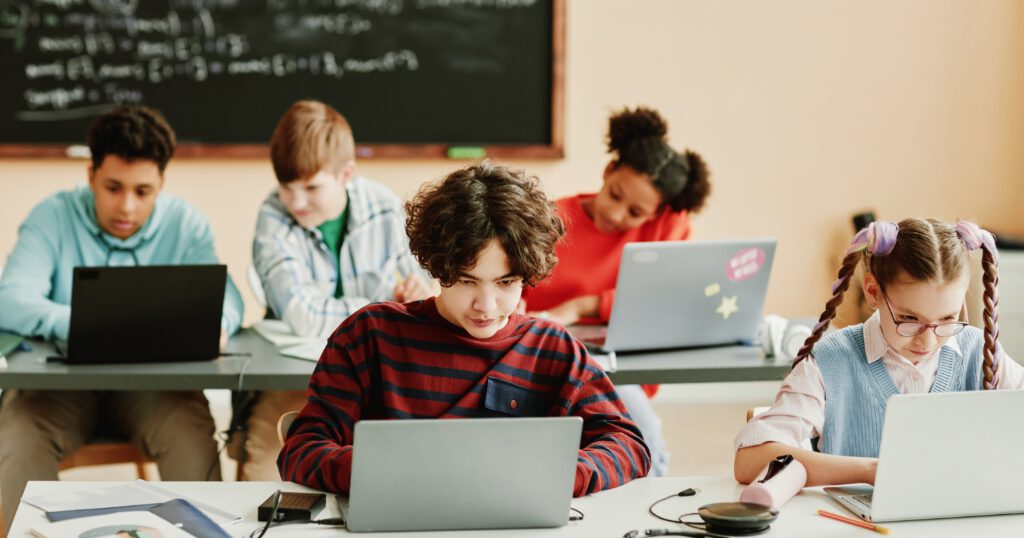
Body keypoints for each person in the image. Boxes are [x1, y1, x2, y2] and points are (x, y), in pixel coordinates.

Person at [278, 162, 650, 496]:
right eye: (468, 281)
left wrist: (561, 476)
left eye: (506, 283)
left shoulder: (552, 350)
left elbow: (628, 445)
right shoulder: (369, 336)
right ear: (438, 268)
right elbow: (302, 448)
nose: (486, 306)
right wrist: (378, 472)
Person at [0, 105, 243, 531]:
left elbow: (229, 301)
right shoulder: (51, 215)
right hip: (59, 390)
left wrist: (216, 323)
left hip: (154, 390)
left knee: (190, 430)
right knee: (17, 433)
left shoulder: (187, 225)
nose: (126, 206)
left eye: (143, 191)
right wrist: (90, 323)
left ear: (161, 184)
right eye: (113, 187)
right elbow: (11, 299)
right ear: (91, 174)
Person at [733, 219, 1024, 486]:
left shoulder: (979, 351)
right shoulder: (830, 362)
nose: (928, 341)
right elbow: (749, 462)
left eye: (947, 319)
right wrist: (870, 471)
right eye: (909, 320)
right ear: (873, 292)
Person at [238, 100, 433, 480]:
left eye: (311, 187)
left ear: (346, 173)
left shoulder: (384, 205)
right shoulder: (273, 215)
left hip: (381, 376)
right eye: (286, 187)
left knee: (407, 471)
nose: (296, 201)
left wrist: (417, 289)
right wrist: (386, 307)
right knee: (260, 479)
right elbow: (302, 315)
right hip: (297, 378)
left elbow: (425, 295)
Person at [522, 106, 711, 477]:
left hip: (618, 366)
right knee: (631, 437)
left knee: (644, 441)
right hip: (542, 357)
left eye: (637, 212)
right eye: (615, 195)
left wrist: (581, 306)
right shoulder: (547, 220)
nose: (619, 214)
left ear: (657, 213)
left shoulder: (667, 226)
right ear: (607, 172)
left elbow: (665, 298)